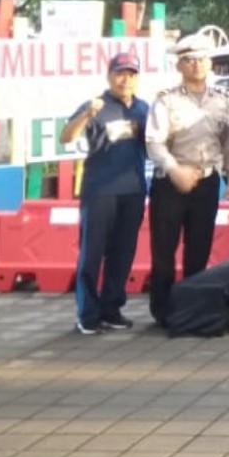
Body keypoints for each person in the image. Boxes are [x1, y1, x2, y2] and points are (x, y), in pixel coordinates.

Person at [144, 33, 229, 327]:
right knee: (164, 251)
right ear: (179, 66)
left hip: (206, 182)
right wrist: (175, 170)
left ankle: (192, 310)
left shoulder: (223, 101)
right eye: (189, 60)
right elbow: (154, 142)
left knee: (199, 250)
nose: (196, 65)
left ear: (210, 63)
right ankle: (162, 312)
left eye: (201, 59)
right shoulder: (166, 100)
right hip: (170, 183)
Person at [61, 52, 149, 334]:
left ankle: (112, 309)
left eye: (132, 74)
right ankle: (87, 314)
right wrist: (86, 115)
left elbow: (154, 144)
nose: (126, 79)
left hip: (133, 191)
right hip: (100, 190)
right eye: (120, 73)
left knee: (123, 253)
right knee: (92, 253)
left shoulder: (143, 108)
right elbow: (67, 137)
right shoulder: (96, 105)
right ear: (110, 76)